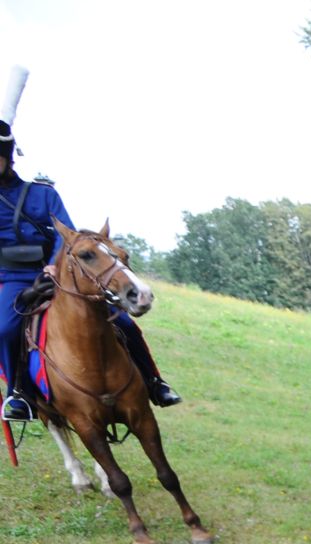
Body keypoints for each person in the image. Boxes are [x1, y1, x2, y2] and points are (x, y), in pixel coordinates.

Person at [1, 65, 179, 425]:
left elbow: (67, 237)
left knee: (123, 322)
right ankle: (19, 394)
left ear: (9, 158)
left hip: (60, 272)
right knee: (5, 327)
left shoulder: (42, 194)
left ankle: (155, 382)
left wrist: (54, 264)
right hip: (11, 279)